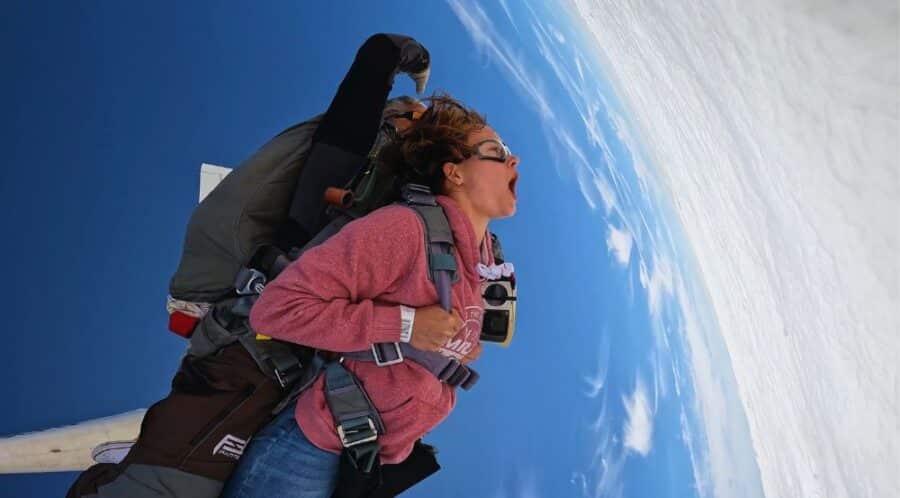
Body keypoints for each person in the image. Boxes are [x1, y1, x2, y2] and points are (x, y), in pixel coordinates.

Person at [66, 33, 431, 498]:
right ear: (392, 119)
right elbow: (375, 61)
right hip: (253, 348)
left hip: (288, 379)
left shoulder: (411, 207)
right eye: (413, 118)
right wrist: (408, 59)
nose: (420, 128)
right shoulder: (345, 164)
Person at [220, 94, 520, 498]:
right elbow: (277, 309)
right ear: (455, 172)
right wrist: (407, 325)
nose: (512, 162)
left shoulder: (480, 263)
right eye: (497, 153)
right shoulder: (403, 230)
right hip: (313, 447)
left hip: (372, 462)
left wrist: (450, 350)